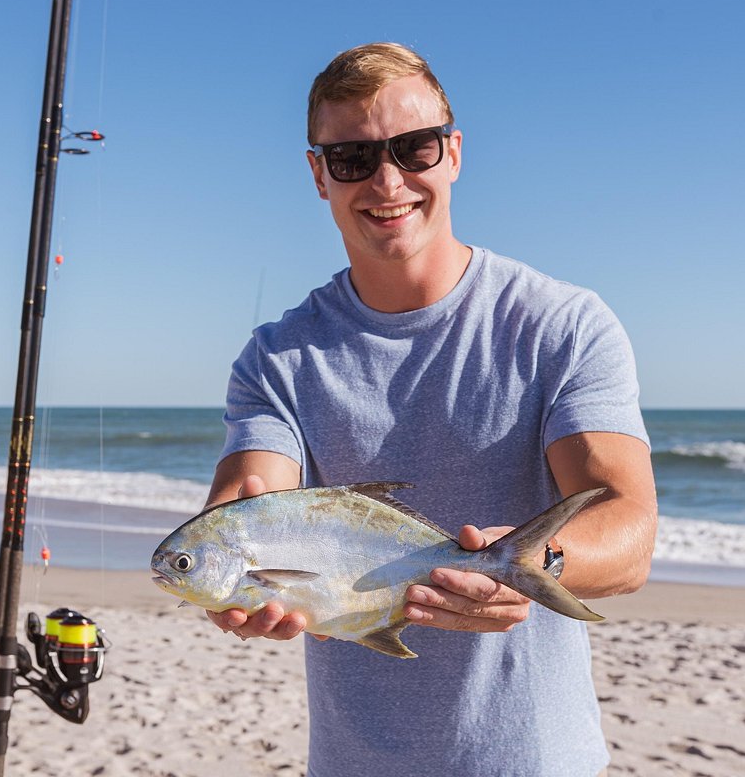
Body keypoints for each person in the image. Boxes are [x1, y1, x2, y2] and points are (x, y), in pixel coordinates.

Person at [203, 42, 657, 777]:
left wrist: (526, 563)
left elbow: (630, 530)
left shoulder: (562, 324)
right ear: (319, 174)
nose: (387, 180)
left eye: (413, 148)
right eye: (352, 157)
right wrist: (231, 564)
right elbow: (252, 492)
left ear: (452, 153)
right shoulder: (277, 355)